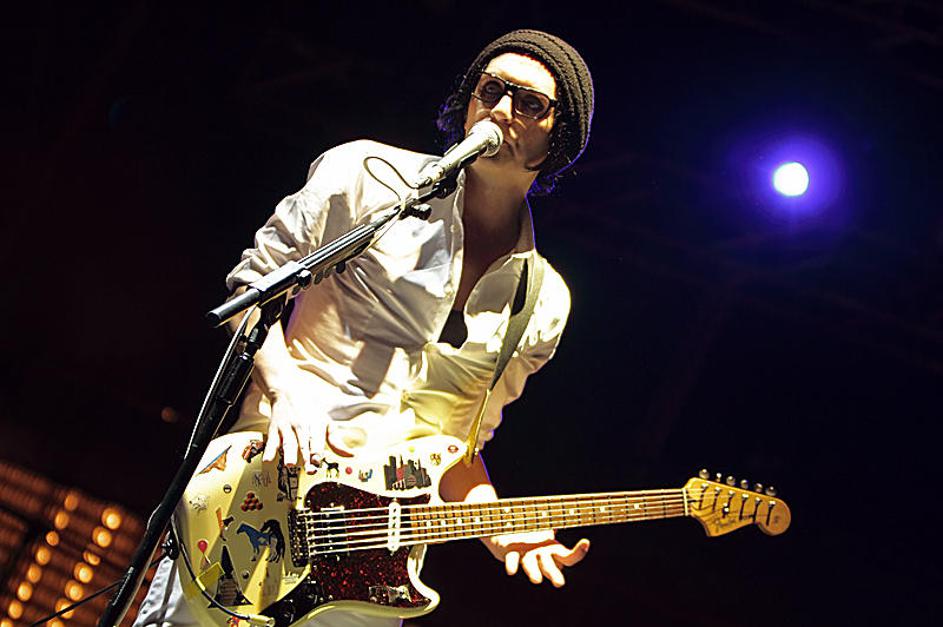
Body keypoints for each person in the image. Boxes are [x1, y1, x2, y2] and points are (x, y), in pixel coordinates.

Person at [135, 29, 594, 627]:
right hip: (260, 499)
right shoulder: (367, 178)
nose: (502, 110)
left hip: (370, 562)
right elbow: (254, 288)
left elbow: (456, 447)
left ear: (559, 138)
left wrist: (499, 529)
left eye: (529, 103)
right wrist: (284, 389)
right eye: (490, 90)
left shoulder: (542, 302)